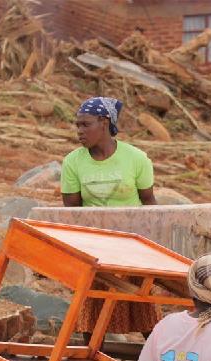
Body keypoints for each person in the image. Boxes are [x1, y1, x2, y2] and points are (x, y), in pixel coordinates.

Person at [60, 96, 159, 344]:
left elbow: (148, 202)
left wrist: (152, 246)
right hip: (96, 246)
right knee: (92, 308)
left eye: (85, 125)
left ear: (104, 123)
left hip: (132, 244)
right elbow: (72, 211)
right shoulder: (73, 162)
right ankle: (91, 359)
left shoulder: (135, 158)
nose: (79, 131)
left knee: (143, 306)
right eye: (77, 125)